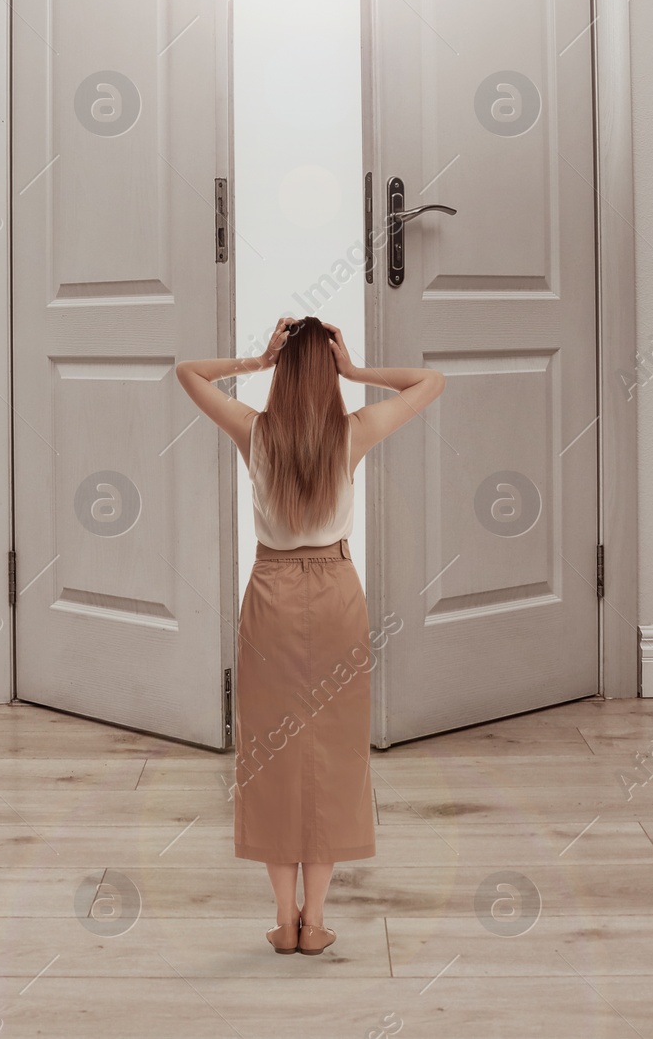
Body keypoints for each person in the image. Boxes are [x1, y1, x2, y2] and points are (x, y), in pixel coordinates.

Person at [175, 316, 446, 955]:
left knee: (268, 753)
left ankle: (282, 916)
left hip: (269, 596)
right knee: (333, 753)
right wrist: (355, 371)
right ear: (326, 375)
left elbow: (187, 373)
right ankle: (316, 919)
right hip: (336, 597)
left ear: (283, 371)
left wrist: (255, 361)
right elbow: (431, 381)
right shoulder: (352, 433)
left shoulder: (254, 432)